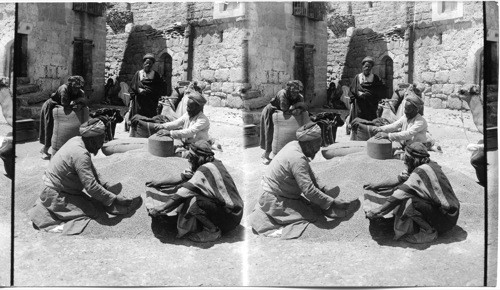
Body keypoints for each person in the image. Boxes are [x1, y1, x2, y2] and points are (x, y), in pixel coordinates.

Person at [250, 122, 360, 239]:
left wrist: (324, 189)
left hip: (281, 194)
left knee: (315, 206)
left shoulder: (295, 145)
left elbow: (309, 172)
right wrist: (333, 202)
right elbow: (309, 191)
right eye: (317, 144)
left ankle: (329, 208)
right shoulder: (297, 158)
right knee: (312, 215)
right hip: (273, 198)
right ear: (307, 144)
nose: (318, 148)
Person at [28, 119, 135, 235]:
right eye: (100, 139)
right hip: (55, 193)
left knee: (95, 202)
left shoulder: (77, 140)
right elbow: (91, 187)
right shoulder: (80, 153)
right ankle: (51, 214)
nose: (101, 144)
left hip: (61, 189)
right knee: (93, 212)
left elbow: (91, 170)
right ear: (92, 139)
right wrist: (115, 198)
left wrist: (105, 185)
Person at [146, 140, 243, 242]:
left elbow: (183, 193)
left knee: (195, 202)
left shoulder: (205, 170)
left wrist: (161, 208)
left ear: (198, 156)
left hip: (231, 217)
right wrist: (159, 182)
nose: (189, 158)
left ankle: (213, 231)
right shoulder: (210, 162)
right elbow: (182, 176)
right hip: (233, 213)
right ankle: (209, 224)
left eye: (191, 156)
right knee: (195, 197)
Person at [364, 142, 460, 243]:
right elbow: (398, 179)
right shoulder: (428, 164)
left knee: (411, 201)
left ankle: (429, 232)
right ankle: (427, 225)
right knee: (408, 193)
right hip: (451, 215)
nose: (404, 160)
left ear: (412, 158)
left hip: (446, 220)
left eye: (406, 157)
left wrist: (378, 210)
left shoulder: (420, 172)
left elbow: (399, 195)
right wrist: (376, 185)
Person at [39, 75, 88, 159]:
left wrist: (79, 102)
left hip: (59, 108)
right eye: (74, 87)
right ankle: (44, 150)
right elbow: (65, 104)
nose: (76, 90)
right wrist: (77, 101)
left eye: (78, 88)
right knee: (49, 128)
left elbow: (85, 101)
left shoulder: (80, 92)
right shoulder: (64, 88)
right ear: (70, 85)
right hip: (51, 107)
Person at [259, 80, 308, 164]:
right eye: (293, 92)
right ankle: (265, 155)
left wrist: (298, 108)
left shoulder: (299, 97)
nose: (294, 94)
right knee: (270, 133)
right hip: (272, 112)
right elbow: (285, 109)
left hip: (282, 115)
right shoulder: (283, 94)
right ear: (289, 90)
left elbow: (304, 107)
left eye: (297, 91)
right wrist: (296, 106)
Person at [152, 91, 210, 157]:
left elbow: (190, 132)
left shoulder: (203, 120)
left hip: (198, 147)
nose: (187, 109)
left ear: (198, 108)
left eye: (190, 107)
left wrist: (170, 133)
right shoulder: (188, 114)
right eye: (187, 106)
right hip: (187, 145)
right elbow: (176, 123)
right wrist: (162, 126)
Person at [129, 53, 168, 118]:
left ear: (152, 64)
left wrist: (149, 91)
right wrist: (139, 90)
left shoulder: (155, 75)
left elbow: (160, 87)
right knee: (137, 117)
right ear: (143, 63)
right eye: (146, 63)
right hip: (139, 101)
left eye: (150, 63)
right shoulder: (138, 73)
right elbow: (133, 86)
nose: (148, 65)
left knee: (149, 118)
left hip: (150, 101)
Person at [348, 56, 385, 122]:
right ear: (362, 67)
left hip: (370, 103)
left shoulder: (375, 78)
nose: (367, 68)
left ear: (371, 67)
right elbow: (352, 89)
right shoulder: (358, 77)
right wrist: (358, 93)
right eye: (365, 66)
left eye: (369, 67)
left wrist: (368, 94)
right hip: (359, 103)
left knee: (369, 120)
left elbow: (379, 90)